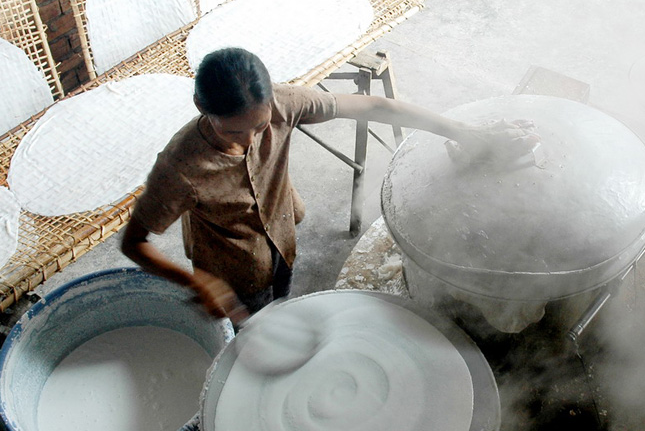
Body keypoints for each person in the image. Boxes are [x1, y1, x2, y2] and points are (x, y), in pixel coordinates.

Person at [121, 47, 537, 324]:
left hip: (281, 237)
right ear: (202, 109)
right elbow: (134, 242)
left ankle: (277, 305)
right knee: (246, 330)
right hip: (228, 266)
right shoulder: (179, 168)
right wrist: (201, 284)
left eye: (260, 127)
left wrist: (464, 131)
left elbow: (375, 105)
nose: (249, 143)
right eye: (233, 131)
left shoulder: (283, 102)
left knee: (279, 295)